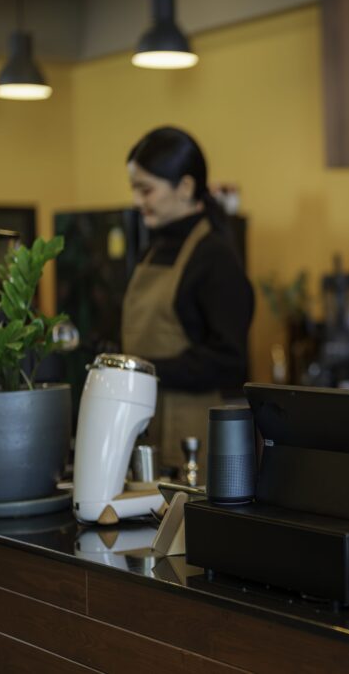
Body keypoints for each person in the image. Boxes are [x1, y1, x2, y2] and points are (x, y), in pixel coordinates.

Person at [123, 126, 254, 477]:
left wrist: (147, 370)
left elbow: (230, 360)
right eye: (134, 188)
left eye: (145, 189)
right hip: (145, 425)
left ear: (185, 187)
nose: (137, 201)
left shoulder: (214, 257)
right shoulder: (154, 248)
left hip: (192, 440)